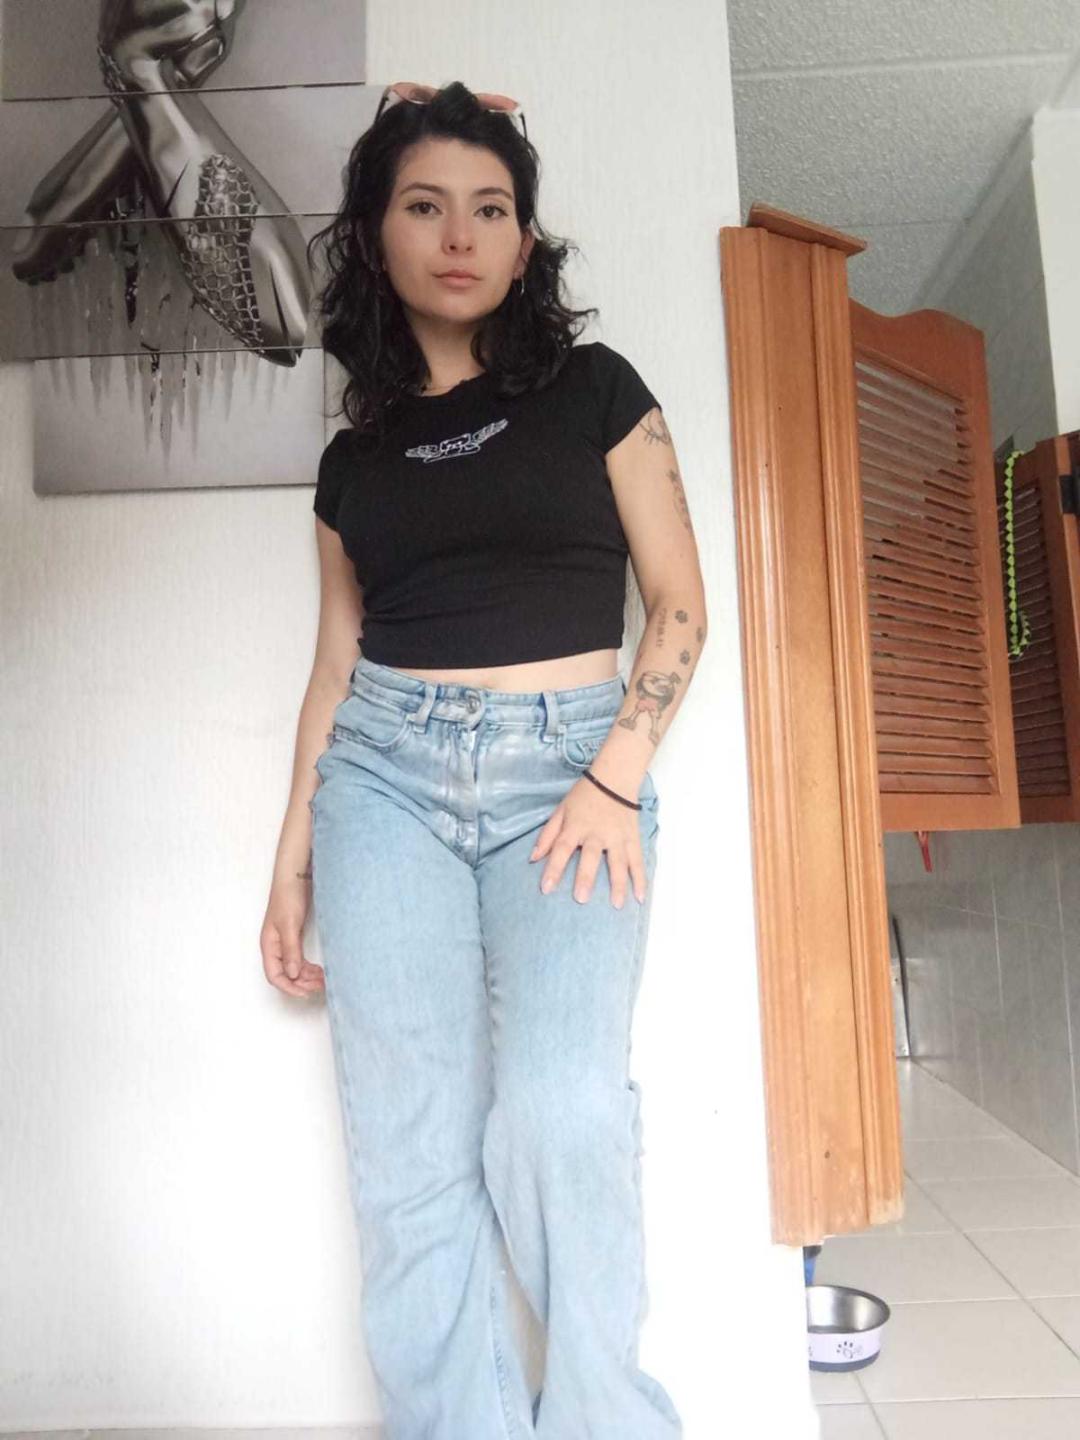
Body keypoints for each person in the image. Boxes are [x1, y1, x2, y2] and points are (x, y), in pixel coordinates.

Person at [260, 79, 707, 1440]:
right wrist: (290, 864)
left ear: (524, 241)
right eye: (425, 204)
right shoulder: (352, 464)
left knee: (562, 1114)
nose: (460, 235)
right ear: (375, 234)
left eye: (492, 208)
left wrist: (616, 774)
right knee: (407, 1153)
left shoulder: (597, 392)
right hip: (382, 782)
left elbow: (680, 606)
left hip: (571, 776)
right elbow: (335, 667)